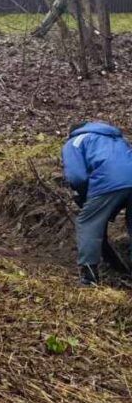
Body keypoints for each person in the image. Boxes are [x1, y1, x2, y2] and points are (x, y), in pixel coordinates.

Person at [62, 122, 132, 286]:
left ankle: (89, 277)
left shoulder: (75, 141)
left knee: (87, 222)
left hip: (109, 182)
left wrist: (85, 194)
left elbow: (76, 176)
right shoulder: (116, 138)